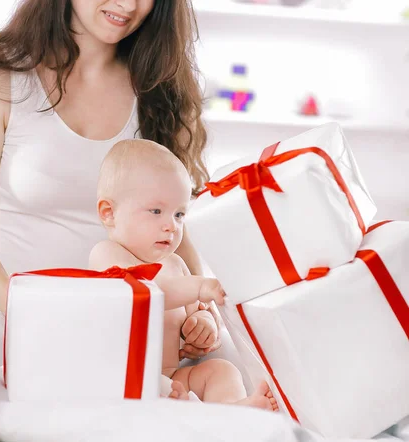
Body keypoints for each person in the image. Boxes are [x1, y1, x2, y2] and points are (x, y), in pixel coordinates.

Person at [0, 0, 222, 380]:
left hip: (130, 327)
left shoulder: (158, 91)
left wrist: (203, 314)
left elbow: (174, 225)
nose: (128, 5)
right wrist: (36, 314)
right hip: (16, 319)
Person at [89, 139, 278, 411]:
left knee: (221, 370)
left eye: (179, 214)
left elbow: (197, 310)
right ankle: (177, 410)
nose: (171, 226)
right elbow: (149, 292)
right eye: (156, 211)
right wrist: (201, 286)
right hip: (121, 381)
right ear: (109, 213)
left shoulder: (175, 264)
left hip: (172, 378)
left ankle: (232, 411)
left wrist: (202, 325)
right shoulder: (106, 255)